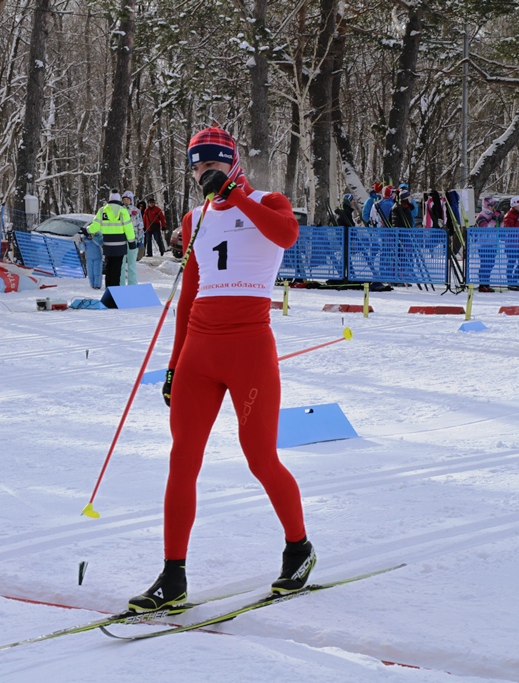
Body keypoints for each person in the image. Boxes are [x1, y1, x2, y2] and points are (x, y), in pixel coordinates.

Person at [127, 127, 313, 614]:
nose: (201, 173)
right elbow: (187, 296)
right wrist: (172, 365)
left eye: (210, 164)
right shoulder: (194, 219)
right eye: (195, 166)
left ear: (231, 163)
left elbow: (286, 235)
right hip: (199, 354)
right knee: (182, 459)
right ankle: (173, 576)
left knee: (259, 458)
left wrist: (236, 195)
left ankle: (299, 548)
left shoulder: (270, 202)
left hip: (249, 349)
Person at [86, 192, 136, 288]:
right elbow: (128, 228)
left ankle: (108, 289)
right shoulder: (123, 211)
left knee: (109, 266)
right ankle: (115, 290)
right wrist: (131, 242)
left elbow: (95, 226)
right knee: (117, 268)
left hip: (108, 244)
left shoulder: (102, 211)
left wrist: (87, 230)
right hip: (120, 245)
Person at [474, 197, 501, 293]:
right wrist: (494, 218)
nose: (493, 208)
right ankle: (482, 284)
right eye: (491, 205)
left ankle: (486, 284)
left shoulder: (492, 215)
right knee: (485, 265)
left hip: (492, 243)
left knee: (490, 265)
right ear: (486, 206)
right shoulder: (481, 216)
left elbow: (498, 227)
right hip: (483, 245)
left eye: (493, 206)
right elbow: (486, 228)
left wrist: (500, 219)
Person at [502, 196, 519, 291]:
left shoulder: (518, 214)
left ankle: (515, 280)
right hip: (511, 244)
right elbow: (513, 230)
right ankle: (510, 282)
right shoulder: (509, 216)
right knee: (511, 263)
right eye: (518, 205)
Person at [120, 191, 143, 285]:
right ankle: (120, 284)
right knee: (121, 264)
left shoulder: (136, 211)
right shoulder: (119, 210)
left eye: (127, 200)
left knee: (132, 264)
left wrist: (140, 239)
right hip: (121, 240)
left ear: (131, 200)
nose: (126, 201)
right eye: (124, 199)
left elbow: (140, 225)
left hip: (133, 240)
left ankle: (132, 284)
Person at [79, 223, 104, 289]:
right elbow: (82, 249)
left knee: (97, 271)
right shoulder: (85, 238)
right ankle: (92, 285)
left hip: (97, 257)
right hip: (89, 257)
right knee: (90, 272)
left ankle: (97, 285)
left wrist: (92, 237)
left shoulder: (98, 234)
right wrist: (81, 241)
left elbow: (99, 243)